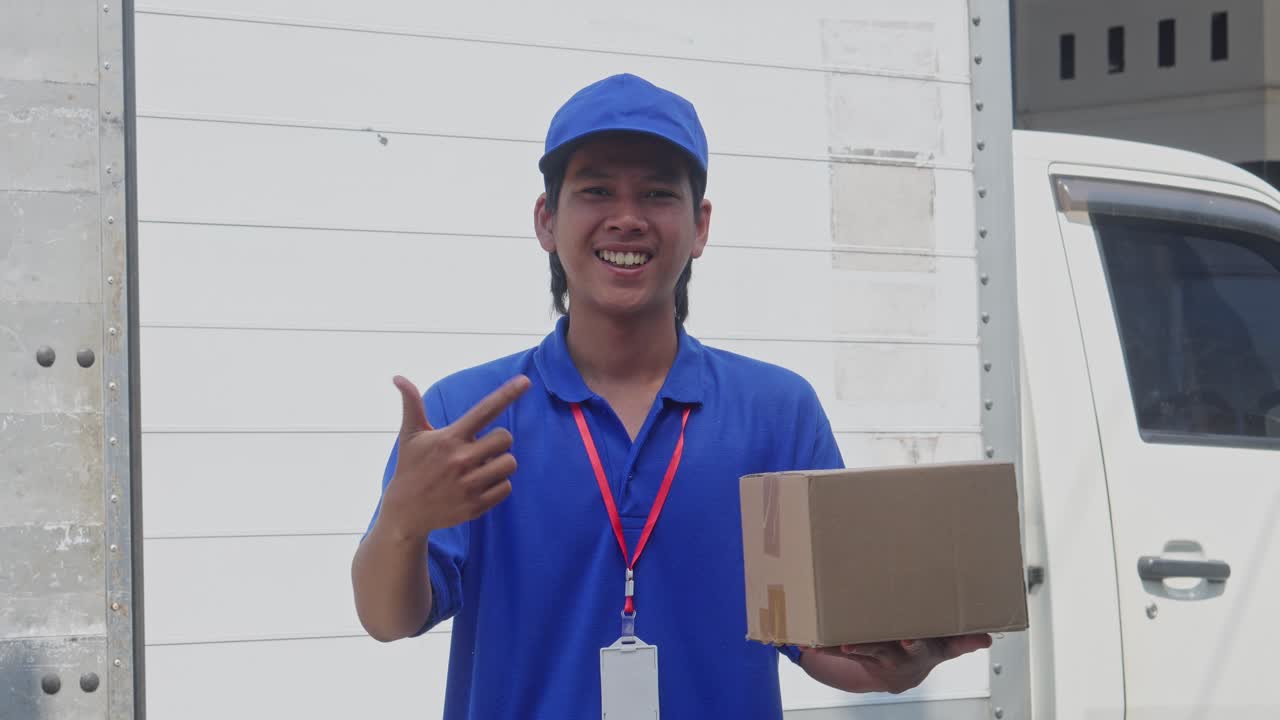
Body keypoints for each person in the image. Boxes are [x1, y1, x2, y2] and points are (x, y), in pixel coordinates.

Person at [350, 73, 991, 719]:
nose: (627, 218)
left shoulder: (776, 411)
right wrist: (402, 522)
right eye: (596, 190)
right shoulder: (469, 414)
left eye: (658, 193)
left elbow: (818, 643)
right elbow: (387, 619)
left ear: (700, 225)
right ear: (546, 220)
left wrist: (893, 665)